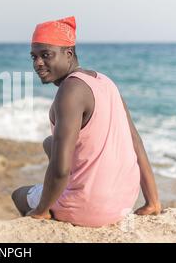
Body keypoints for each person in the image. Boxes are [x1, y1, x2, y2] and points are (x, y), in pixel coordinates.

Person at [11, 16, 162, 227]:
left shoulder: (70, 91)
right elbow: (136, 142)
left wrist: (41, 211)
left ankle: (49, 215)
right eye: (33, 57)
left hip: (88, 208)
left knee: (19, 195)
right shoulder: (105, 81)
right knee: (50, 143)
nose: (37, 63)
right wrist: (153, 201)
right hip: (124, 201)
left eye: (46, 55)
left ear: (69, 53)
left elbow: (60, 169)